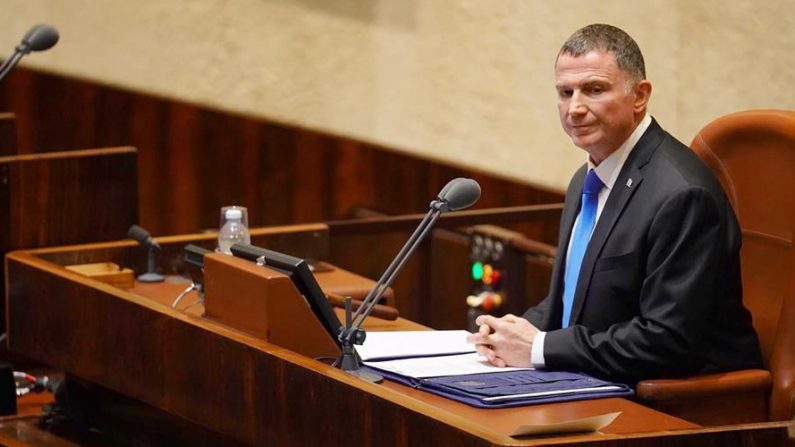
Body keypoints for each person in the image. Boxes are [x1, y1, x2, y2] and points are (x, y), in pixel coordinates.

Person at [466, 24, 762, 382]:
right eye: (565, 92)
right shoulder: (587, 179)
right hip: (600, 376)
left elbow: (667, 341)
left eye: (593, 90)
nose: (574, 108)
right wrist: (511, 333)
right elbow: (574, 304)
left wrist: (540, 348)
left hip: (686, 402)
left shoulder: (682, 195)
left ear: (639, 96)